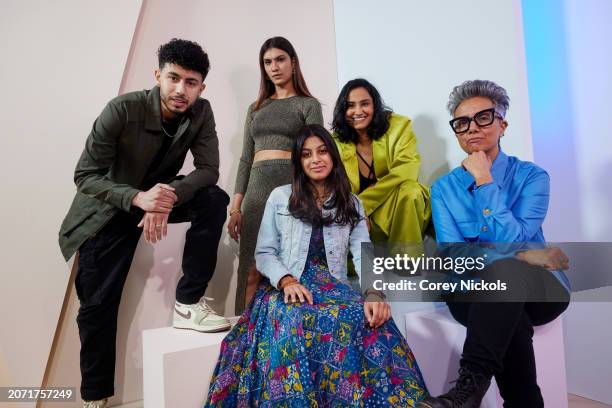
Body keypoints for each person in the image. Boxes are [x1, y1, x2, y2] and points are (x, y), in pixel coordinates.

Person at [58, 39, 231, 408]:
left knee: (214, 200)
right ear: (157, 76)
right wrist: (137, 197)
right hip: (106, 211)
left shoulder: (201, 112)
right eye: (173, 78)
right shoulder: (123, 109)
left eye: (191, 82)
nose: (181, 90)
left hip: (156, 200)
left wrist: (164, 196)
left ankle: (187, 304)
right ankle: (96, 396)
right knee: (96, 307)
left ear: (201, 87)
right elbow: (85, 174)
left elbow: (208, 170)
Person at [205, 125, 428, 407]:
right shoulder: (280, 197)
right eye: (307, 154)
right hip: (284, 285)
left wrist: (374, 293)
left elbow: (363, 254)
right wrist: (286, 280)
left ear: (333, 156)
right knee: (297, 320)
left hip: (331, 284)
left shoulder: (352, 203)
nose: (316, 159)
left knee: (371, 318)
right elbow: (264, 253)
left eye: (322, 151)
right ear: (299, 162)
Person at [418, 80, 570, 408]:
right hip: (471, 292)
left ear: (502, 124)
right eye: (462, 123)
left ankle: (466, 390)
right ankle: (520, 401)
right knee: (507, 297)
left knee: (508, 272)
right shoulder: (443, 189)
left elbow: (516, 241)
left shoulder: (532, 177)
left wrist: (485, 181)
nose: (472, 128)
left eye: (483, 117)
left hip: (540, 292)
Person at [227, 36, 323, 314]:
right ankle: (241, 337)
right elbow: (245, 159)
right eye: (267, 62)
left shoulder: (308, 104)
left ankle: (276, 335)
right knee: (250, 270)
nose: (274, 67)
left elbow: (317, 153)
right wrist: (235, 208)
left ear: (293, 62)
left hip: (291, 192)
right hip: (255, 195)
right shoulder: (255, 108)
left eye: (280, 59)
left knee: (286, 268)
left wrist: (314, 198)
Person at [332, 78, 430, 247]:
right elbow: (333, 187)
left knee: (411, 190)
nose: (358, 111)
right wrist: (357, 212)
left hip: (396, 211)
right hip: (360, 221)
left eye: (365, 103)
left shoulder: (399, 126)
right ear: (343, 110)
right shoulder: (335, 142)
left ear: (375, 105)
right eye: (350, 105)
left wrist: (361, 204)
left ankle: (406, 264)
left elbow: (407, 170)